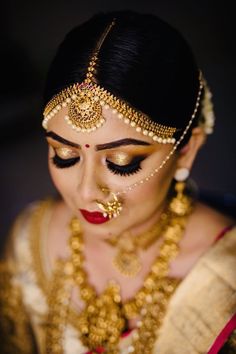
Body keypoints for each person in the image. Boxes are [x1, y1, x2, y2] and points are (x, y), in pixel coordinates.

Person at [0, 10, 235, 354]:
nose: (85, 192)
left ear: (185, 152)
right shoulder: (30, 240)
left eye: (121, 163)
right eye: (64, 155)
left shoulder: (225, 282)